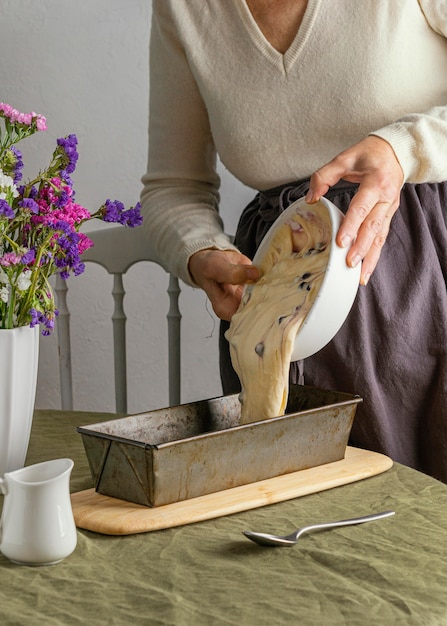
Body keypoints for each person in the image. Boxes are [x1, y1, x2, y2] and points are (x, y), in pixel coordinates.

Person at [140, 0, 447, 483]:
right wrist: (200, 253)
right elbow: (173, 188)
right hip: (273, 299)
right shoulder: (183, 8)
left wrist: (406, 150)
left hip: (427, 269)